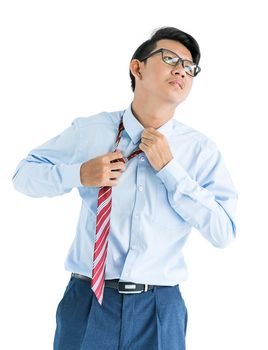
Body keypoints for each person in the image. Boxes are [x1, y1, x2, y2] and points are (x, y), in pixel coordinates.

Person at [12, 26, 238, 350]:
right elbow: (23, 175)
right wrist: (79, 174)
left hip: (159, 308)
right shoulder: (90, 131)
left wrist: (171, 171)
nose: (181, 70)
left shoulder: (200, 152)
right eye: (170, 58)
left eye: (190, 68)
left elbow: (224, 231)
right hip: (88, 300)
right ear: (138, 67)